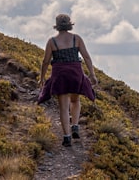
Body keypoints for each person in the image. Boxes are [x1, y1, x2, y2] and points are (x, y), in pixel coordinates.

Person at [38, 14, 98, 147]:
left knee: (63, 108)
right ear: (69, 24)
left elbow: (46, 61)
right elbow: (86, 57)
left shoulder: (52, 41)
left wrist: (42, 78)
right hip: (75, 72)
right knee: (75, 100)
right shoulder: (76, 39)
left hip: (60, 75)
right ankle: (75, 125)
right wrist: (92, 74)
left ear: (57, 25)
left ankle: (67, 137)